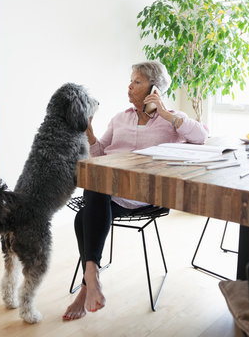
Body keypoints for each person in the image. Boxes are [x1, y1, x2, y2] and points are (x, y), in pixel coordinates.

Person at [62, 61, 208, 321]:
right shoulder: (120, 118)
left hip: (146, 196)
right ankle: (91, 278)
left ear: (155, 88)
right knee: (96, 186)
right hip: (111, 194)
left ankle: (88, 285)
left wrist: (166, 113)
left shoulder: (172, 120)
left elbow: (202, 137)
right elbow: (98, 154)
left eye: (137, 82)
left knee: (87, 207)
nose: (129, 86)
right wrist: (89, 131)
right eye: (130, 80)